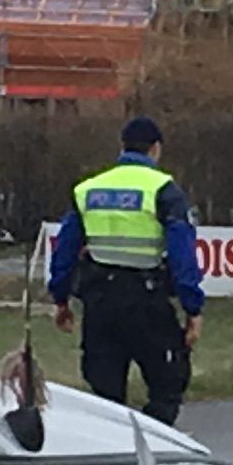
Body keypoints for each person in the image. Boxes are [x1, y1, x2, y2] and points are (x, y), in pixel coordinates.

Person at [50, 115, 206, 423]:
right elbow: (182, 256)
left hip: (99, 304)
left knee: (106, 398)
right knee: (167, 386)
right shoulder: (164, 190)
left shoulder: (88, 190)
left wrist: (61, 298)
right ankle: (149, 448)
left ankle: (113, 455)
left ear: (121, 147)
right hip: (146, 303)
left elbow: (64, 250)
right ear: (156, 149)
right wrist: (193, 309)